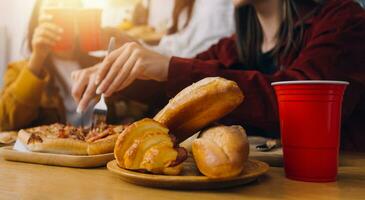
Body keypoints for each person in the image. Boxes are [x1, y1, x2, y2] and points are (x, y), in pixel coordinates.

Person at [73, 0, 365, 152]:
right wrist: (117, 75)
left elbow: (302, 105)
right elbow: (179, 89)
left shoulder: (344, 20)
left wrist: (168, 66)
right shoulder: (236, 44)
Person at [0, 0, 119, 131]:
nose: (64, 11)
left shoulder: (100, 64)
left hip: (99, 147)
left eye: (70, 7)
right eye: (53, 8)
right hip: (53, 148)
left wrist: (122, 45)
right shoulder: (19, 70)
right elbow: (5, 123)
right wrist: (37, 57)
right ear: (38, 22)